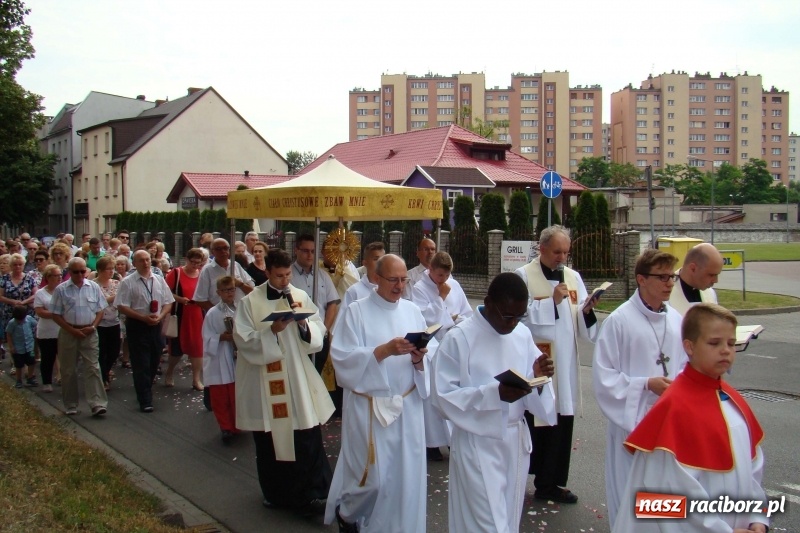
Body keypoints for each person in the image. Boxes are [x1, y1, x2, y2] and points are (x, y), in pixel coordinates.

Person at [613, 303, 769, 533]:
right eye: (714, 343)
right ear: (689, 347)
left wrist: (758, 518)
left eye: (731, 343)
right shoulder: (674, 409)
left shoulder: (734, 401)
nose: (725, 350)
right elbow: (666, 497)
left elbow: (752, 470)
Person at [433, 273, 557, 533]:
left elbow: (536, 391)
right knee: (488, 524)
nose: (513, 324)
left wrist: (539, 376)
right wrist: (494, 394)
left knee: (509, 519)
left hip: (515, 441)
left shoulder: (522, 334)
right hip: (478, 443)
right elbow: (442, 397)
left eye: (519, 317)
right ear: (489, 303)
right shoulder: (459, 338)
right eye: (508, 316)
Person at [325, 254, 431, 533]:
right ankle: (348, 515)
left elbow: (429, 360)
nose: (399, 286)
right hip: (369, 408)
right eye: (393, 280)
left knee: (404, 480)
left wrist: (420, 359)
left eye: (404, 280)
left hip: (407, 406)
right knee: (373, 481)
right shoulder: (357, 310)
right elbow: (342, 358)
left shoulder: (412, 310)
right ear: (376, 278)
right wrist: (383, 351)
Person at [592, 248, 688, 526]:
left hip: (667, 422)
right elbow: (604, 377)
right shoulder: (619, 321)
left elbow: (684, 365)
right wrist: (646, 384)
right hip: (631, 423)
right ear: (641, 280)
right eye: (663, 277)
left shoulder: (676, 320)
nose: (670, 283)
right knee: (631, 499)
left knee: (664, 497)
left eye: (672, 277)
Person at [233, 249, 334, 514]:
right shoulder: (250, 302)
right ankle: (276, 494)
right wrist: (271, 331)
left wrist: (303, 327)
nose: (285, 281)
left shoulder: (299, 296)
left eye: (288, 274)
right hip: (264, 378)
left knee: (305, 433)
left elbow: (318, 329)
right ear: (267, 273)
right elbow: (242, 339)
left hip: (295, 377)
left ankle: (314, 492)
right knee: (270, 441)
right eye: (279, 276)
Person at [514, 225, 599, 504]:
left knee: (561, 421)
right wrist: (551, 302)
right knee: (537, 419)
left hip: (567, 364)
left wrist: (586, 311)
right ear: (542, 249)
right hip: (541, 361)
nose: (562, 257)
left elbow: (581, 321)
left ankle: (551, 482)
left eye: (566, 252)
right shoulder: (523, 276)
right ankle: (522, 475)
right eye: (557, 251)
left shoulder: (573, 277)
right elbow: (517, 320)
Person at [411, 251, 473, 461]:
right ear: (430, 270)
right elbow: (424, 318)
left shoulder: (454, 285)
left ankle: (452, 438)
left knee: (455, 390)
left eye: (446, 276)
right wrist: (441, 299)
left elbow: (467, 312)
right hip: (434, 347)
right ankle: (433, 443)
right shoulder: (419, 288)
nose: (443, 280)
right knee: (433, 394)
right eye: (439, 276)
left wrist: (456, 320)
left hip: (453, 343)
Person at [114, 250, 174, 413]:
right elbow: (121, 306)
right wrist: (142, 317)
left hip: (155, 324)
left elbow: (169, 302)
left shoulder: (159, 280)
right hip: (138, 325)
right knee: (141, 362)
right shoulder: (128, 282)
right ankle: (145, 398)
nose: (146, 263)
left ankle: (145, 387)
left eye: (147, 260)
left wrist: (160, 316)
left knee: (155, 359)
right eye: (141, 260)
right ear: (134, 263)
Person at [50, 257, 109, 417]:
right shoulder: (61, 290)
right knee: (69, 370)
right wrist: (71, 329)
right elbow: (55, 314)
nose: (80, 275)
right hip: (69, 332)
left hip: (89, 332)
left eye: (83, 271)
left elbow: (100, 310)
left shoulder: (93, 287)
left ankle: (97, 403)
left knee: (93, 368)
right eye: (76, 272)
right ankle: (71, 404)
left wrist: (93, 326)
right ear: (69, 272)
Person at [292, 234, 340, 375]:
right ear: (296, 250)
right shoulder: (288, 276)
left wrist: (324, 329)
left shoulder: (323, 276)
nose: (310, 255)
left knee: (315, 376)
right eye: (305, 251)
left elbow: (332, 304)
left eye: (313, 251)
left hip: (320, 336)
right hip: (298, 336)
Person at [202, 276, 239, 443]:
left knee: (236, 395)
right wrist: (222, 338)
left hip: (238, 357)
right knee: (221, 397)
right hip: (219, 357)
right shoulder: (212, 313)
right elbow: (206, 337)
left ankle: (237, 425)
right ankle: (225, 427)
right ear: (218, 292)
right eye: (226, 290)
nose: (230, 293)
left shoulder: (241, 308)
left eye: (232, 289)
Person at [164, 248, 205, 390]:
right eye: (192, 262)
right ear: (186, 259)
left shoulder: (201, 275)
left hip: (197, 314)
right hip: (180, 314)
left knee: (197, 348)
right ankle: (169, 372)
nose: (195, 265)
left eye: (198, 263)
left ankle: (196, 379)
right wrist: (179, 299)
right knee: (176, 349)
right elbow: (165, 291)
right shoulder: (176, 273)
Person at [194, 239, 254, 312]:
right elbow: (199, 299)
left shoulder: (236, 265)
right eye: (218, 249)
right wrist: (219, 312)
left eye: (225, 248)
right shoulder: (207, 270)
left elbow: (252, 290)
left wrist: (240, 284)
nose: (223, 251)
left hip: (240, 313)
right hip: (220, 316)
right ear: (212, 252)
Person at [669, 242, 723, 314]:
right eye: (711, 275)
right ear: (693, 268)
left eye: (717, 275)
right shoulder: (665, 293)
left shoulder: (710, 293)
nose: (716, 281)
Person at [34, 264, 63, 392]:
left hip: (62, 330)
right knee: (47, 357)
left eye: (60, 275)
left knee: (64, 357)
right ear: (48, 277)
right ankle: (47, 382)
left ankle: (62, 378)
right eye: (55, 275)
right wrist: (56, 313)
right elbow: (40, 312)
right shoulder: (41, 293)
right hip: (46, 331)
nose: (59, 278)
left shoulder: (63, 290)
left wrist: (52, 312)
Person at [94, 256, 121, 391]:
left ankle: (106, 371)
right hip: (99, 323)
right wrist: (114, 298)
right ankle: (103, 378)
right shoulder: (93, 285)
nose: (111, 271)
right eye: (107, 269)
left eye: (112, 269)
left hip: (114, 321)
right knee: (101, 351)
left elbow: (121, 301)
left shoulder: (116, 283)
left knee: (114, 351)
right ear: (99, 270)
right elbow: (100, 301)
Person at [341, 242, 384, 309]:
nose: (380, 263)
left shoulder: (389, 290)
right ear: (365, 263)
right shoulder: (354, 292)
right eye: (376, 259)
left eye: (383, 259)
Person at [6, 305, 38, 388]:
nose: (20, 321)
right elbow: (8, 334)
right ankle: (19, 380)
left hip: (29, 346)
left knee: (31, 362)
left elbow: (36, 325)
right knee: (19, 365)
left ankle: (30, 377)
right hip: (18, 348)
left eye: (22, 319)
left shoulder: (29, 319)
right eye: (18, 320)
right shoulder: (12, 323)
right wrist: (11, 346)